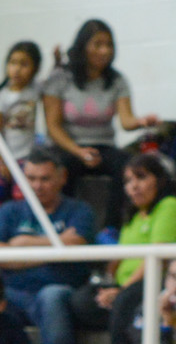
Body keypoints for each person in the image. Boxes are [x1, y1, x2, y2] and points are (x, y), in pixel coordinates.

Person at [0, 145, 94, 344]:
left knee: (51, 297)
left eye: (45, 179)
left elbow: (76, 244)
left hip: (59, 293)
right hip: (12, 297)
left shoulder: (79, 210)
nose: (37, 186)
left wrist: (21, 245)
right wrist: (56, 245)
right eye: (30, 178)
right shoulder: (9, 211)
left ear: (62, 178)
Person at [42, 20, 161, 231]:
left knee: (128, 165)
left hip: (103, 146)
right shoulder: (61, 78)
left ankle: (112, 228)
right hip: (68, 146)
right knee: (62, 168)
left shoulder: (117, 80)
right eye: (98, 44)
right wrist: (79, 151)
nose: (105, 51)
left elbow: (126, 121)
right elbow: (53, 126)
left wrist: (141, 122)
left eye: (109, 45)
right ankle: (63, 227)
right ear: (83, 46)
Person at [73, 152, 176, 344]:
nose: (134, 186)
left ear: (160, 180)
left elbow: (157, 259)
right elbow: (119, 258)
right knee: (82, 300)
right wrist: (108, 286)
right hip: (125, 287)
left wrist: (121, 291)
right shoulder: (133, 216)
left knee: (125, 300)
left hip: (153, 283)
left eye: (141, 177)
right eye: (128, 181)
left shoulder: (169, 205)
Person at [0, 41, 44, 212]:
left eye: (24, 64)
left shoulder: (35, 89)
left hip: (24, 155)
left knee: (22, 195)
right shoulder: (2, 97)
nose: (16, 69)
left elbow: (54, 81)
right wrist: (2, 162)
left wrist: (58, 62)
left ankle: (22, 226)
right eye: (13, 63)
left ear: (35, 68)